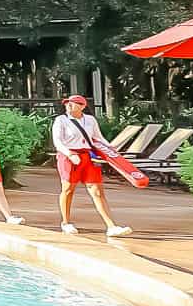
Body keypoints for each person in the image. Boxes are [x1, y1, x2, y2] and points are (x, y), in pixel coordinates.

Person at [51, 95, 132, 237]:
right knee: (68, 189)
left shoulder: (90, 120)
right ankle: (66, 222)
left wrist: (110, 148)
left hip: (88, 156)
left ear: (82, 106)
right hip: (69, 156)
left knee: (97, 191)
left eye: (73, 104)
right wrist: (70, 154)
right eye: (67, 104)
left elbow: (98, 138)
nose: (69, 106)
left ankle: (111, 226)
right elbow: (57, 141)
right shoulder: (61, 120)